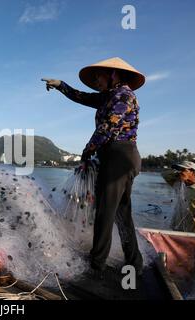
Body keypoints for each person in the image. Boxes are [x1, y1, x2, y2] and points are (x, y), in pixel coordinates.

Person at [43, 57, 146, 276]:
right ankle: (135, 262)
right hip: (117, 157)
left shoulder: (123, 95)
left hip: (120, 156)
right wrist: (61, 85)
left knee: (105, 213)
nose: (97, 80)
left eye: (99, 76)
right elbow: (82, 97)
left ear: (113, 74)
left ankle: (97, 265)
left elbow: (108, 126)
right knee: (121, 213)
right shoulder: (110, 96)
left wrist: (88, 150)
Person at [170, 161, 195, 234]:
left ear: (192, 172)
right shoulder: (179, 185)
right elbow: (165, 174)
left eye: (183, 170)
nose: (179, 172)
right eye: (178, 170)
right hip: (177, 229)